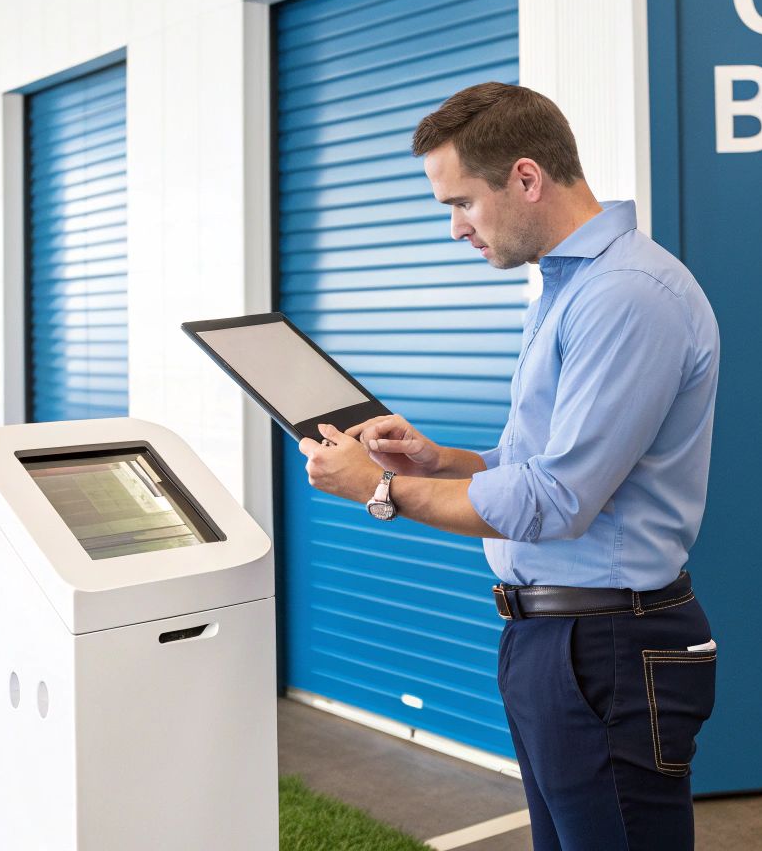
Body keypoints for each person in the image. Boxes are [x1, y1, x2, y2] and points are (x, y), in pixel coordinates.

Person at [299, 82, 721, 850]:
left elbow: (559, 498)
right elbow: (545, 462)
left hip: (606, 652)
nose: (456, 229)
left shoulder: (625, 295)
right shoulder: (571, 287)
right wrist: (444, 460)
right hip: (559, 644)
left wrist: (383, 490)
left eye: (461, 203)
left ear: (526, 178)